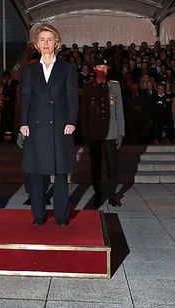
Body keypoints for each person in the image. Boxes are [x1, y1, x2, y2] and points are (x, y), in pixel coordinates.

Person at [18, 24, 78, 225]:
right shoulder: (31, 69)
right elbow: (25, 97)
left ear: (56, 43)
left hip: (60, 126)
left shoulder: (66, 68)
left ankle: (61, 215)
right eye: (42, 39)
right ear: (36, 44)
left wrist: (71, 121)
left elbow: (72, 97)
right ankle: (39, 214)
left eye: (49, 39)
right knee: (36, 172)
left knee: (60, 172)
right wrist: (23, 122)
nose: (45, 43)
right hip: (36, 125)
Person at [80, 58, 125, 207]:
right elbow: (84, 113)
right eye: (99, 66)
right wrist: (85, 133)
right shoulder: (88, 87)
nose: (102, 69)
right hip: (95, 133)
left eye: (104, 66)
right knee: (96, 166)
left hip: (111, 132)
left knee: (113, 165)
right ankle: (99, 194)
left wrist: (120, 132)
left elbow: (119, 112)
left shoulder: (114, 87)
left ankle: (112, 195)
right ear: (95, 69)